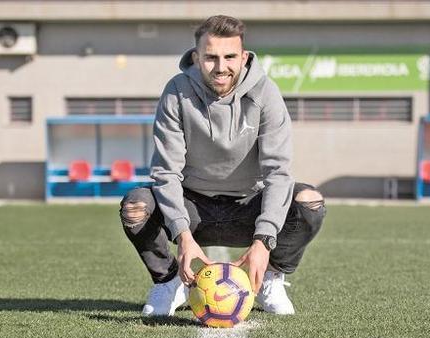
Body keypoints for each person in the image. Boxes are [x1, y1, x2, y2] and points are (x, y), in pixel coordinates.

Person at [119, 14, 326, 317]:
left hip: (247, 206)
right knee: (135, 207)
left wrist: (264, 242)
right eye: (211, 57)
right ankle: (169, 281)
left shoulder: (266, 94)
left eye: (230, 56)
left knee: (310, 202)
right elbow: (166, 172)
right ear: (196, 57)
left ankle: (269, 276)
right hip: (192, 208)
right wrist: (183, 237)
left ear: (243, 57)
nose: (221, 67)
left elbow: (277, 172)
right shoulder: (177, 92)